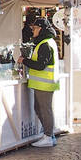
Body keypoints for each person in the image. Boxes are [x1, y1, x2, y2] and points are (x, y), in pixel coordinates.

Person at [21, 15, 60, 148]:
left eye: (35, 28)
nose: (33, 30)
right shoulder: (45, 42)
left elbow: (40, 65)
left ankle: (49, 136)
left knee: (45, 109)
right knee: (40, 109)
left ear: (41, 29)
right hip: (43, 83)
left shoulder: (45, 44)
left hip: (45, 83)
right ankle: (48, 135)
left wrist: (25, 61)